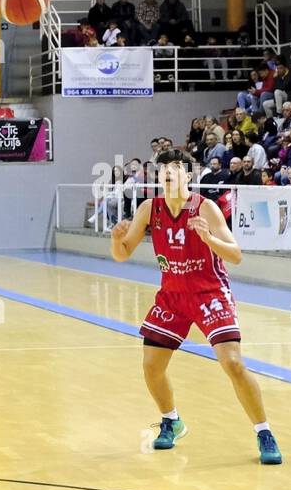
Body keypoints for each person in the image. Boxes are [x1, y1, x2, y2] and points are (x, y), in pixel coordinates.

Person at [109, 149, 281, 465]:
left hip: (209, 292)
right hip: (173, 295)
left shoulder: (206, 208)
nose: (168, 173)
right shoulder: (150, 209)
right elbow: (123, 254)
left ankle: (264, 431)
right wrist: (115, 239)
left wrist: (209, 239)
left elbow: (236, 255)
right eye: (163, 169)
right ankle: (171, 420)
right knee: (151, 365)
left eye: (175, 168)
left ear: (188, 175)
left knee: (233, 364)